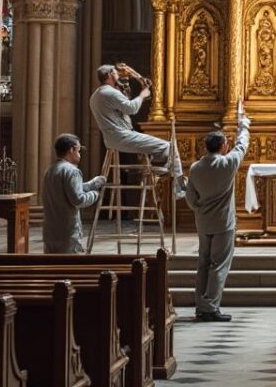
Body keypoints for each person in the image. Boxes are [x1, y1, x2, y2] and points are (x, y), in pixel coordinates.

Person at [184, 99, 251, 322]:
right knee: (219, 265)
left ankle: (200, 304)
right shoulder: (227, 164)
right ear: (223, 146)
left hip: (203, 222)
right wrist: (244, 124)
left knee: (203, 263)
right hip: (223, 223)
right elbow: (242, 145)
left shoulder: (195, 167)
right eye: (226, 144)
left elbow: (190, 196)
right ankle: (210, 307)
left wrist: (199, 209)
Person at [89, 64, 184, 196]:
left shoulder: (96, 95)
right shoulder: (110, 92)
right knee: (170, 147)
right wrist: (142, 95)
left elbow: (121, 109)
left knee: (162, 151)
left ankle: (158, 169)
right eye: (116, 72)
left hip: (112, 139)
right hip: (122, 136)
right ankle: (180, 187)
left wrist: (132, 79)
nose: (118, 74)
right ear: (110, 74)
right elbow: (131, 108)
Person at [42, 133, 107, 254]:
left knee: (51, 266)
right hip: (67, 233)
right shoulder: (72, 171)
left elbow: (65, 190)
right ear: (71, 149)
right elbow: (79, 199)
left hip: (50, 231)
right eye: (78, 150)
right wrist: (96, 194)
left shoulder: (50, 169)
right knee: (67, 268)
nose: (79, 154)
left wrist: (92, 183)